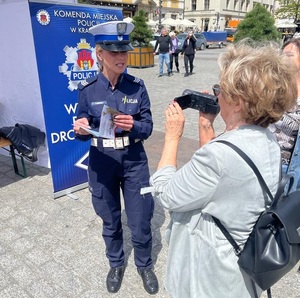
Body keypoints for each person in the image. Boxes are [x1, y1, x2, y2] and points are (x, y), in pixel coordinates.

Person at [148, 40, 297, 297]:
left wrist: (172, 136)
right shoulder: (269, 139)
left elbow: (166, 194)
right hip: (238, 274)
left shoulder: (218, 157)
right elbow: (223, 182)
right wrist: (207, 126)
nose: (216, 95)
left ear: (237, 101)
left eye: (221, 89)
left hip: (208, 279)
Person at [73, 21, 158, 295]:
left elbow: (148, 126)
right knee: (109, 219)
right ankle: (116, 264)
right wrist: (80, 129)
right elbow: (82, 129)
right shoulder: (87, 90)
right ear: (99, 54)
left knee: (140, 219)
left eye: (125, 51)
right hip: (101, 160)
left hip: (133, 159)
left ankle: (144, 265)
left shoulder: (136, 86)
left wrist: (134, 125)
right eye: (114, 52)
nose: (122, 57)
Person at [269, 38, 300, 193]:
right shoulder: (274, 88)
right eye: (282, 55)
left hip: (289, 167)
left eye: (289, 55)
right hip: (265, 158)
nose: (283, 59)